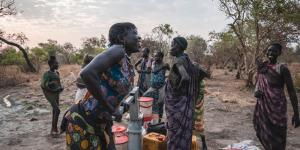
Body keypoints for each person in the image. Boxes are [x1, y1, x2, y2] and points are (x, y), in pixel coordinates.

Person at [62, 22, 140, 150]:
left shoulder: (125, 60)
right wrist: (110, 108)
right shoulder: (118, 49)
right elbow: (87, 73)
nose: (139, 37)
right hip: (83, 122)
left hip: (101, 124)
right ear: (121, 39)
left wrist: (117, 108)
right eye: (135, 33)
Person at [253, 43, 300, 150]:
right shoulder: (262, 66)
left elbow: (292, 92)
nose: (270, 53)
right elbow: (258, 83)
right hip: (263, 106)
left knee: (278, 135)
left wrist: (296, 114)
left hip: (277, 108)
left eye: (274, 51)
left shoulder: (282, 68)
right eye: (269, 50)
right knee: (261, 132)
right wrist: (256, 92)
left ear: (279, 53)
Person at [165, 37, 208, 150]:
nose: (171, 48)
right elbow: (204, 73)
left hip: (178, 105)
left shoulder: (179, 60)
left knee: (175, 132)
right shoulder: (189, 62)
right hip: (186, 104)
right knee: (184, 131)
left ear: (179, 47)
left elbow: (185, 77)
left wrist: (178, 89)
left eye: (173, 45)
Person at [143, 51, 169, 123]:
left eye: (157, 56)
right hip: (153, 87)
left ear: (161, 57)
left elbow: (171, 71)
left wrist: (167, 71)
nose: (155, 58)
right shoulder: (154, 63)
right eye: (155, 56)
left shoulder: (164, 64)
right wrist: (162, 67)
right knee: (144, 97)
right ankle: (147, 116)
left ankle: (159, 121)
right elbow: (154, 71)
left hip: (161, 87)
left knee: (160, 104)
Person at [41, 56, 64, 136]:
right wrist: (52, 84)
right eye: (56, 63)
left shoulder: (57, 73)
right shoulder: (47, 74)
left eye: (57, 63)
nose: (57, 64)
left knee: (55, 110)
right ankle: (54, 129)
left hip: (56, 94)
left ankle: (53, 129)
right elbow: (43, 85)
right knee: (57, 110)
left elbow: (58, 83)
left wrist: (60, 88)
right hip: (50, 94)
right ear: (51, 65)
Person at [193, 80, 207, 150]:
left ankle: (204, 144)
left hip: (198, 107)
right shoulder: (197, 81)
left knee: (199, 126)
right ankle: (194, 143)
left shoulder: (201, 83)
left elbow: (199, 98)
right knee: (193, 126)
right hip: (195, 107)